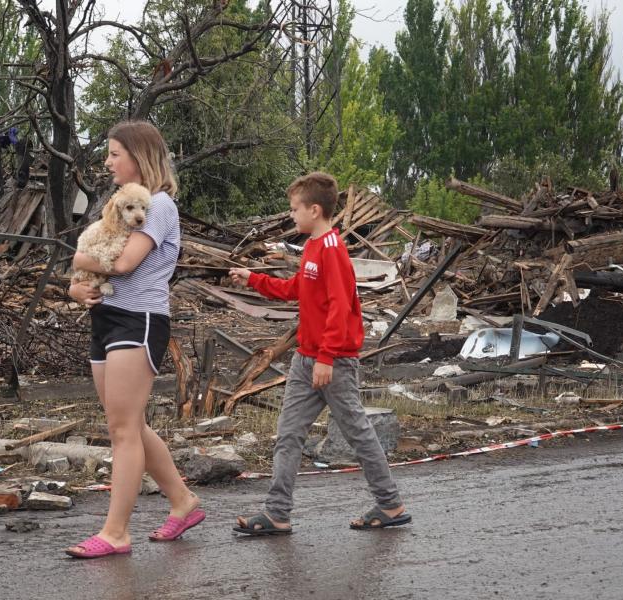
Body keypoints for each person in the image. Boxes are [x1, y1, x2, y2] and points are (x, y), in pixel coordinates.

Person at [228, 171, 410, 535]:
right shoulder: (311, 246)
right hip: (304, 358)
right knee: (288, 434)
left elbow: (341, 308)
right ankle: (277, 513)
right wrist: (253, 279)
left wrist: (327, 357)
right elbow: (295, 288)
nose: (291, 214)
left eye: (294, 208)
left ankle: (390, 504)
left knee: (358, 432)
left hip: (334, 361)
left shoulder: (333, 250)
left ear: (314, 210)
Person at [65, 121, 205, 558]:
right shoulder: (118, 204)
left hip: (138, 319)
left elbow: (123, 263)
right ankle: (183, 502)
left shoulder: (158, 205)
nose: (107, 162)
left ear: (139, 156)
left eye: (114, 154)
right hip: (105, 316)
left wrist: (77, 257)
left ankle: (115, 533)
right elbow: (87, 265)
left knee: (122, 429)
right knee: (128, 424)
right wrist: (75, 285)